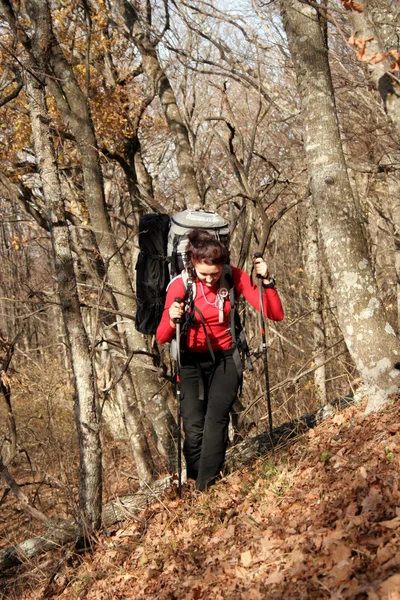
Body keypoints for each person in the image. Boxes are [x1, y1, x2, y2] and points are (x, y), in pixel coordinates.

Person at [156, 229, 284, 491]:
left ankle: (206, 487)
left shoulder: (232, 276)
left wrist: (267, 280)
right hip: (190, 361)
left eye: (215, 273)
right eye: (204, 274)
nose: (211, 279)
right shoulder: (181, 285)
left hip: (226, 358)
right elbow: (161, 336)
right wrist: (171, 317)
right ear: (193, 265)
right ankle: (194, 481)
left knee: (217, 420)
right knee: (193, 429)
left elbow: (274, 313)